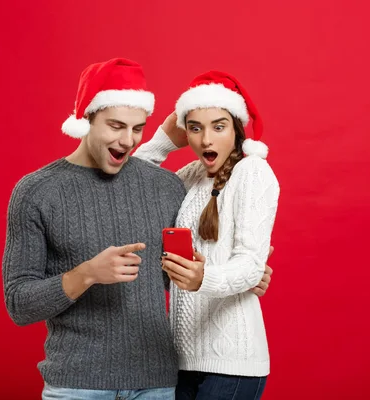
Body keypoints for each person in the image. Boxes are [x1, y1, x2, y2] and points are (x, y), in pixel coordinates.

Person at [2, 59, 274, 400]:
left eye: (137, 129)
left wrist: (243, 271)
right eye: (116, 126)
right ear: (87, 118)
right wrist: (86, 274)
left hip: (157, 383)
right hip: (77, 385)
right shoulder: (37, 192)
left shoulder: (165, 187)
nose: (127, 140)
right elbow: (19, 304)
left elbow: (175, 268)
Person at [134, 71, 280, 399]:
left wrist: (205, 277)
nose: (206, 140)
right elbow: (131, 190)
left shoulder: (252, 172)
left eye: (218, 126)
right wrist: (163, 140)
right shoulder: (191, 175)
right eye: (195, 128)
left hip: (232, 364)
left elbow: (250, 265)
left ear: (237, 128)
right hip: (181, 360)